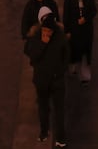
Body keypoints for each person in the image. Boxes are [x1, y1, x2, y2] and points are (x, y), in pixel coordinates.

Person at [24, 10, 70, 148]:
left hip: (57, 81)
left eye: (49, 31)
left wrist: (60, 72)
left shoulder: (60, 38)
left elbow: (66, 57)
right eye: (45, 30)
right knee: (43, 108)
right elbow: (32, 56)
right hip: (42, 80)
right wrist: (43, 44)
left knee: (59, 110)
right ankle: (44, 131)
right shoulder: (36, 37)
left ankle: (60, 138)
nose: (47, 33)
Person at [64, 0, 98, 82]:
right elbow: (66, 14)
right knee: (73, 49)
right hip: (74, 29)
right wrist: (67, 30)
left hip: (86, 30)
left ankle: (85, 76)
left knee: (85, 52)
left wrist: (86, 19)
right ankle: (72, 68)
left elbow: (93, 11)